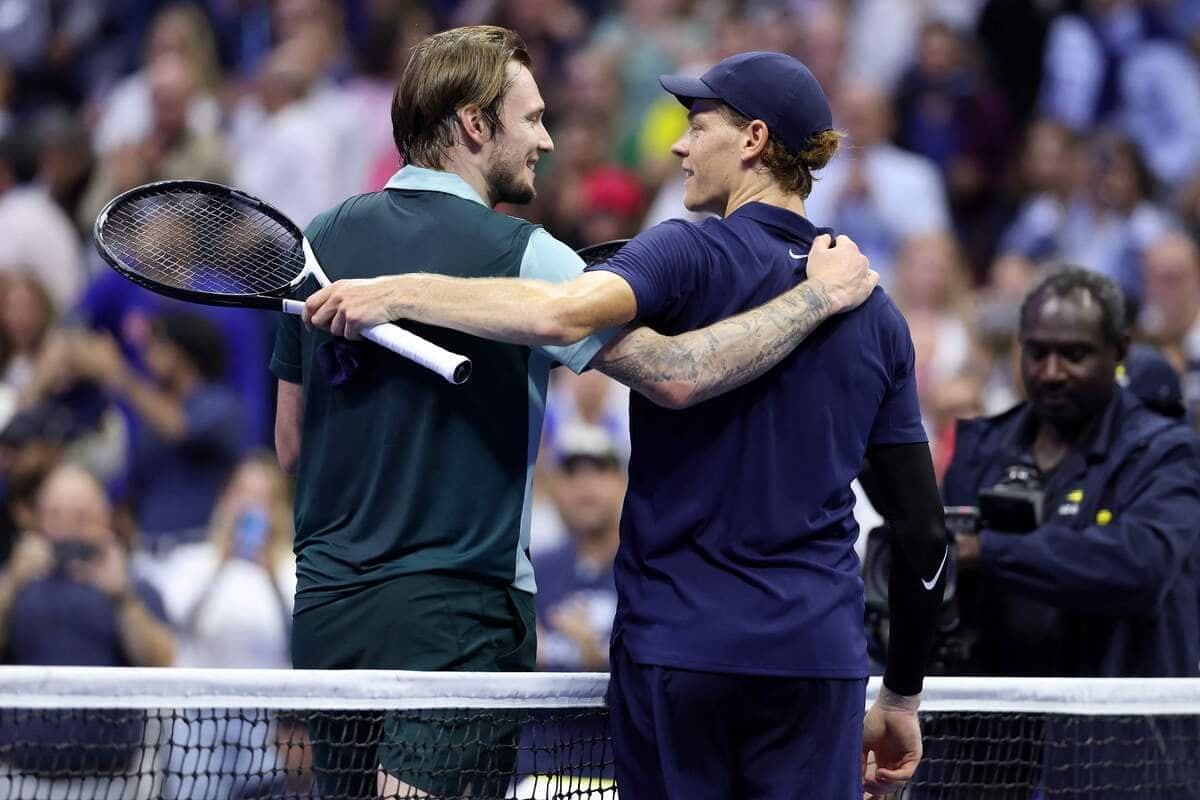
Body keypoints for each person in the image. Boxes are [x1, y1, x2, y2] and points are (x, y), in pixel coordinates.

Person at [306, 46, 948, 799]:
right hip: (814, 660)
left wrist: (395, 293)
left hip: (677, 653)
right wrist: (902, 694)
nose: (677, 144)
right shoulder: (874, 311)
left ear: (753, 141)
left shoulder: (682, 252)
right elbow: (924, 537)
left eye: (697, 124)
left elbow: (557, 312)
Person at [935, 267, 1200, 796]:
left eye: (1074, 354)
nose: (1051, 371)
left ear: (1119, 350)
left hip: (1122, 752)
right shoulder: (981, 447)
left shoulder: (1166, 453)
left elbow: (1140, 565)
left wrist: (987, 549)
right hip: (984, 745)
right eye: (1036, 352)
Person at [0, 462, 174, 798]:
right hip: (16, 779)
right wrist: (14, 582)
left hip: (112, 783)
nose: (67, 529)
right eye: (56, 516)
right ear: (37, 519)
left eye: (81, 518)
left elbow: (163, 662)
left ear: (104, 519)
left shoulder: (135, 585)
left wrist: (121, 596)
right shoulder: (15, 581)